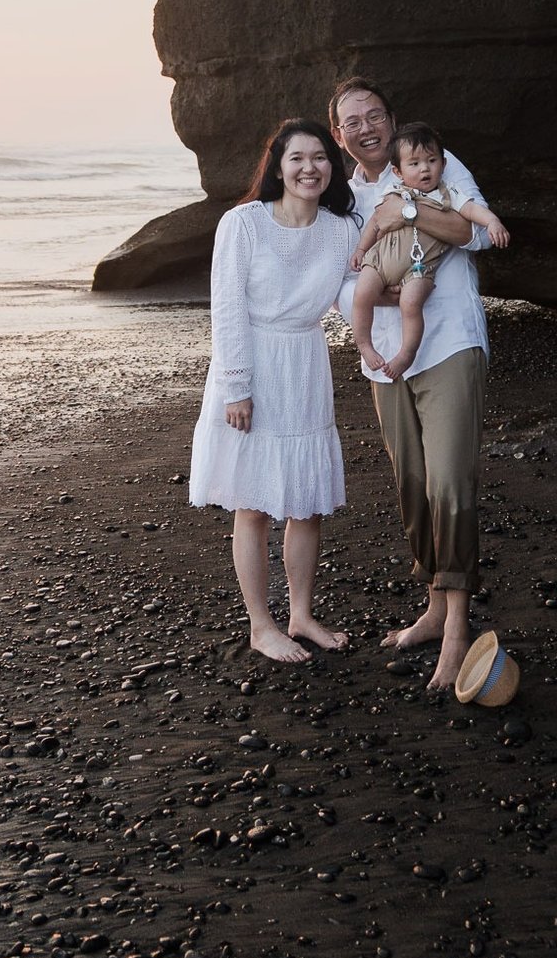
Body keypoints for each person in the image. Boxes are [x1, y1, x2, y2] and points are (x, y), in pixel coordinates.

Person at [330, 77, 507, 694]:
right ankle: (434, 606)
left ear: (392, 119)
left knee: (449, 482)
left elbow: (474, 232)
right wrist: (389, 292)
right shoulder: (342, 198)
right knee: (412, 485)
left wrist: (404, 210)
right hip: (385, 358)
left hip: (450, 341)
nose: (366, 128)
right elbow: (342, 283)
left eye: (375, 115)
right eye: (353, 121)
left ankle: (457, 627)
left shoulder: (431, 158)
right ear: (339, 136)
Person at [189, 119, 357, 664]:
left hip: (305, 365)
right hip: (254, 365)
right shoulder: (243, 223)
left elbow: (356, 293)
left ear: (332, 166)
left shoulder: (342, 229)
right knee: (254, 504)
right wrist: (236, 387)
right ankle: (261, 625)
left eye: (320, 157)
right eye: (297, 158)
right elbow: (227, 308)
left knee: (307, 504)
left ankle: (301, 615)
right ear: (278, 168)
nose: (310, 168)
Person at [348, 120, 505, 381]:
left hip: (418, 267)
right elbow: (376, 222)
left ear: (443, 164)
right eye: (414, 164)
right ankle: (364, 345)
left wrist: (492, 221)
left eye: (431, 161)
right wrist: (361, 250)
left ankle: (406, 353)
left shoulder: (448, 194)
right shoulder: (394, 190)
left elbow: (472, 210)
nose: (424, 169)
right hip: (381, 259)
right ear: (398, 172)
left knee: (411, 303)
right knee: (362, 293)